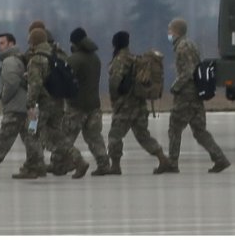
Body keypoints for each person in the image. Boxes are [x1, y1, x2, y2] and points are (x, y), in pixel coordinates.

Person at [102, 30, 172, 175]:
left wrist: (115, 101)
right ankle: (163, 158)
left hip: (125, 106)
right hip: (139, 105)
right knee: (143, 136)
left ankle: (115, 165)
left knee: (114, 136)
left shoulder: (119, 60)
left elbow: (115, 84)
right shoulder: (134, 58)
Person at [165, 18, 229, 174]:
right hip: (196, 93)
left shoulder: (182, 47)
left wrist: (174, 87)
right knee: (200, 131)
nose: (169, 33)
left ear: (176, 31)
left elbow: (188, 72)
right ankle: (220, 158)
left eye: (170, 30)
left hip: (186, 95)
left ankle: (172, 163)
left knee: (174, 128)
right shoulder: (191, 44)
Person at [24, 26, 88, 179]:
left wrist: (30, 104)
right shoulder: (55, 56)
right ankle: (78, 160)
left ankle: (35, 167)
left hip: (41, 105)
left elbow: (35, 85)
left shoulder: (36, 60)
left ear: (33, 42)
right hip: (58, 103)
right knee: (56, 135)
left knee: (31, 133)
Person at [0, 32, 44, 178]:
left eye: (2, 43)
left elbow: (11, 82)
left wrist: (4, 97)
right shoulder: (20, 58)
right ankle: (38, 165)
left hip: (15, 106)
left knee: (4, 137)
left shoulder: (9, 61)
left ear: (11, 44)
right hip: (28, 106)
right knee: (30, 137)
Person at [62, 27, 111, 175]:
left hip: (76, 106)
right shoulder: (95, 58)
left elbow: (65, 79)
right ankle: (104, 164)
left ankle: (65, 163)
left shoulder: (74, 60)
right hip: (94, 105)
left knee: (65, 138)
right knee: (94, 136)